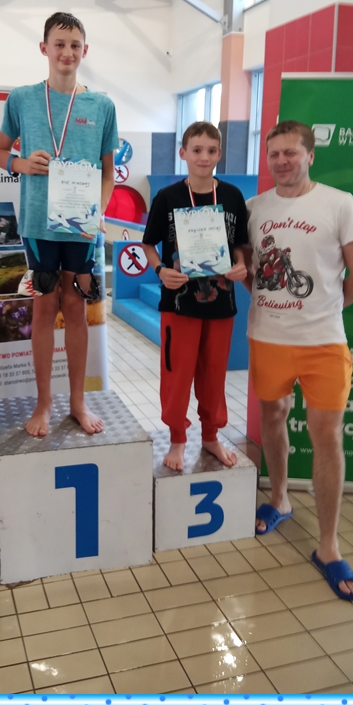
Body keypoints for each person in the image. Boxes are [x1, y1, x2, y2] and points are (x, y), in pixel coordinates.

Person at [244, 120, 353, 601]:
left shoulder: (341, 204)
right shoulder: (254, 208)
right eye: (274, 154)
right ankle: (279, 499)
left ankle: (328, 545)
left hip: (324, 342)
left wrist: (323, 309)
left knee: (327, 436)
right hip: (268, 337)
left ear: (310, 155)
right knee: (273, 417)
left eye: (291, 152)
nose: (281, 161)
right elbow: (250, 272)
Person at [0, 12, 119, 437]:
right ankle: (44, 403)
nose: (67, 52)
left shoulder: (101, 106)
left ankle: (77, 402)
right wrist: (21, 163)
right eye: (59, 44)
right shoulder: (22, 99)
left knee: (77, 309)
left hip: (81, 226)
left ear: (85, 51)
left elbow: (108, 173)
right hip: (37, 224)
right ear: (44, 48)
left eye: (75, 45)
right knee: (45, 308)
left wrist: (99, 212)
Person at [142, 122, 248, 471]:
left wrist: (240, 265)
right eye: (197, 150)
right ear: (183, 153)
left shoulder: (232, 196)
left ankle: (211, 436)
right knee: (177, 374)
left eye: (211, 150)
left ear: (220, 154)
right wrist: (160, 270)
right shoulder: (168, 197)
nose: (204, 157)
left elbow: (240, 246)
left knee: (214, 375)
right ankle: (177, 438)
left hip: (221, 303)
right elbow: (148, 244)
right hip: (179, 303)